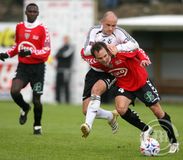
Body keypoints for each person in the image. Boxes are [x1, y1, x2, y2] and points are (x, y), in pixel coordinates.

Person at [90, 41, 179, 154]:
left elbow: (137, 50)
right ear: (95, 59)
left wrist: (143, 59)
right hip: (124, 86)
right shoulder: (97, 64)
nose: (104, 60)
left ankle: (174, 142)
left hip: (141, 83)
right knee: (120, 109)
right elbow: (84, 54)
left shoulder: (120, 52)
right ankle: (145, 129)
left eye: (105, 56)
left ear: (108, 51)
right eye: (100, 58)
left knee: (158, 112)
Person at [80, 11, 140, 138]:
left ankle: (87, 126)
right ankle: (110, 116)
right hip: (94, 71)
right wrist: (105, 48)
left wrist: (118, 48)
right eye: (108, 25)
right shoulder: (94, 31)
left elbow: (135, 44)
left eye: (114, 25)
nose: (111, 28)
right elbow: (85, 50)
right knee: (86, 110)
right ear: (102, 22)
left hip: (109, 71)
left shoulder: (119, 32)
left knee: (96, 90)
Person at [0, 3, 51, 135]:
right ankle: (25, 107)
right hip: (23, 67)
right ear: (26, 12)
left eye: (35, 11)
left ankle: (37, 126)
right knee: (14, 91)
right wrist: (7, 54)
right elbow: (17, 46)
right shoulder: (19, 26)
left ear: (38, 13)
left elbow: (46, 51)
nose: (32, 13)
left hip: (38, 69)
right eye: (30, 11)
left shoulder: (43, 29)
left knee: (36, 100)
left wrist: (30, 53)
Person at [55, 35, 74, 103]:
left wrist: (60, 55)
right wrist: (60, 55)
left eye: (66, 39)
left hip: (66, 70)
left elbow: (65, 55)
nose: (65, 40)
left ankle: (67, 101)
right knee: (58, 86)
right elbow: (56, 55)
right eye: (64, 39)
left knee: (66, 86)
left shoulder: (71, 47)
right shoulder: (61, 47)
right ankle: (58, 101)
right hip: (59, 69)